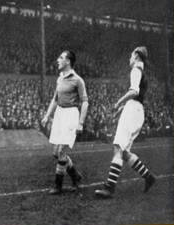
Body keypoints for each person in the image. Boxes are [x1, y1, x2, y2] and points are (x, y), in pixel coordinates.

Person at [94, 47, 156, 199]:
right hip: (137, 110)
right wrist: (123, 107)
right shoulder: (142, 71)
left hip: (133, 111)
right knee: (125, 152)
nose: (129, 58)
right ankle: (148, 177)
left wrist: (118, 103)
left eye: (131, 55)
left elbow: (134, 91)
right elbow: (137, 96)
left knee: (117, 147)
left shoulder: (136, 69)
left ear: (136, 56)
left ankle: (109, 188)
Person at [41, 50, 89, 195]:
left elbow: (85, 102)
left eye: (61, 57)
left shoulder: (78, 80)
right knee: (56, 153)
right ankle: (75, 176)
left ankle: (58, 186)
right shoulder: (60, 78)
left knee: (61, 151)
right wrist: (47, 115)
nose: (57, 60)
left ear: (68, 61)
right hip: (60, 114)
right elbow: (55, 99)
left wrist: (80, 123)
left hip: (71, 115)